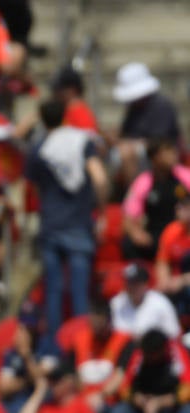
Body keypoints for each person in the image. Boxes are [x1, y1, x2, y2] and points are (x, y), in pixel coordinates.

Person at [26, 99, 107, 333]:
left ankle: (53, 346)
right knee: (80, 289)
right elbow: (100, 179)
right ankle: (80, 346)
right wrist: (100, 212)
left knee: (53, 289)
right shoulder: (82, 141)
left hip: (51, 224)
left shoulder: (39, 147)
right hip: (79, 223)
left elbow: (32, 188)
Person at [110, 263, 180, 344]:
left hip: (152, 351)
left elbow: (174, 334)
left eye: (136, 283)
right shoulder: (116, 303)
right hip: (123, 350)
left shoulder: (160, 303)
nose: (131, 287)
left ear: (145, 284)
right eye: (129, 283)